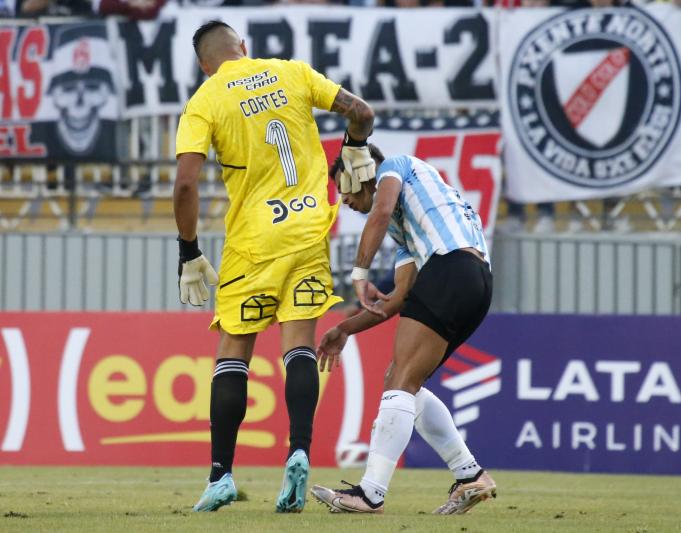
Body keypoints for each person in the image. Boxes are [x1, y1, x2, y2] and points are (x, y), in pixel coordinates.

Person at [173, 20, 374, 513]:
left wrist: (189, 250)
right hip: (308, 234)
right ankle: (299, 452)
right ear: (244, 47)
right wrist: (353, 147)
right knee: (298, 347)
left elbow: (184, 184)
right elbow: (361, 113)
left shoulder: (205, 99)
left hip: (253, 245)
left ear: (204, 64)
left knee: (233, 350)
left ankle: (221, 475)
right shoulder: (293, 73)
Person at [310, 145, 497, 515]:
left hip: (451, 268)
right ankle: (469, 474)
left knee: (400, 384)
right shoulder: (409, 227)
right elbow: (396, 301)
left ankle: (370, 494)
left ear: (361, 174)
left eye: (344, 189)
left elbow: (379, 210)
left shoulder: (395, 167)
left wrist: (359, 274)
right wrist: (346, 329)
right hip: (477, 282)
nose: (344, 199)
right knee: (402, 380)